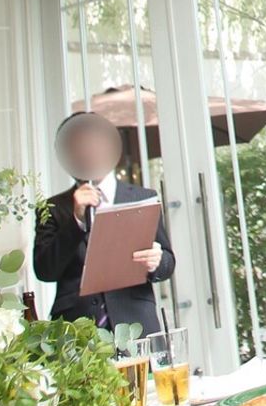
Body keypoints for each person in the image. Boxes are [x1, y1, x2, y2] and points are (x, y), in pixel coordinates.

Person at [33, 112, 175, 339]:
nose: (88, 151)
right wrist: (76, 219)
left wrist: (156, 261)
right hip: (76, 330)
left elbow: (168, 263)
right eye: (79, 145)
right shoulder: (52, 208)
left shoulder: (142, 197)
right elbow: (45, 271)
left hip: (135, 320)